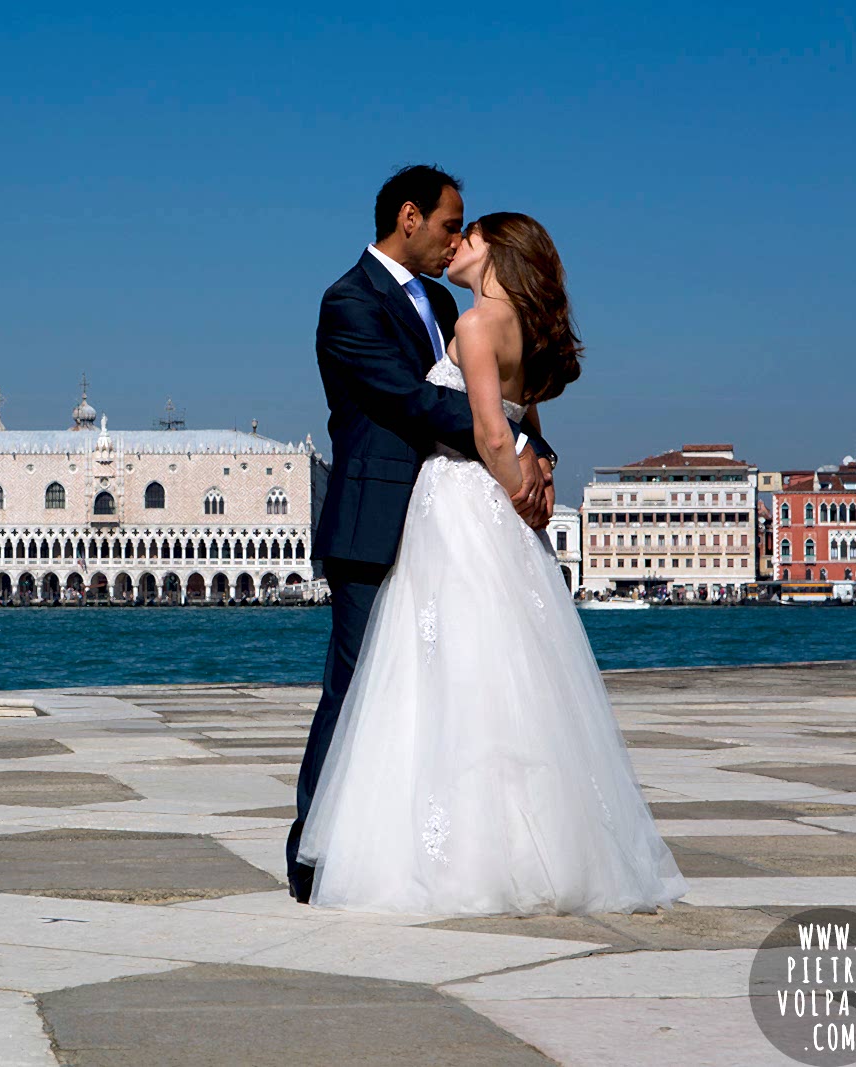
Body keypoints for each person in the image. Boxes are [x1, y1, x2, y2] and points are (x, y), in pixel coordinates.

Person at [297, 211, 686, 915]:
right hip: (501, 510)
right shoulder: (529, 336)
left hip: (462, 498)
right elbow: (526, 423)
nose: (456, 245)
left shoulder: (473, 323)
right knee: (509, 667)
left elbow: (488, 429)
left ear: (496, 252)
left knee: (447, 667)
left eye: (468, 236)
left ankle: (452, 856)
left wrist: (518, 485)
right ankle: (536, 846)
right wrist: (535, 480)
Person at [286, 165, 556, 902]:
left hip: (448, 517)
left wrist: (538, 446)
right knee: (352, 692)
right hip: (375, 522)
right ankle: (310, 853)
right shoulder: (347, 302)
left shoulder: (443, 300)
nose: (454, 241)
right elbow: (408, 401)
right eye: (448, 224)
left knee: (439, 689)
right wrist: (506, 441)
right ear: (409, 217)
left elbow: (491, 388)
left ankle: (418, 846)